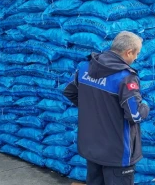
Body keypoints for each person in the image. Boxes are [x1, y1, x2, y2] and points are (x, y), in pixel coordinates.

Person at [64, 31, 150, 185]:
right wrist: (146, 107)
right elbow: (135, 114)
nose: (136, 58)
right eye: (136, 53)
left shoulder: (85, 67)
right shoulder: (125, 77)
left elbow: (70, 91)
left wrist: (93, 109)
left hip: (92, 146)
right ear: (128, 52)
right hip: (117, 152)